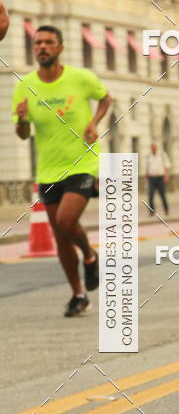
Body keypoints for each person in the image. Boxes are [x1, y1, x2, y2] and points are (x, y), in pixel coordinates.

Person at [12, 25, 111, 316]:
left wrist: (95, 122)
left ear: (60, 48)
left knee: (67, 221)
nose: (42, 47)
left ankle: (90, 256)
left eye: (48, 42)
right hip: (48, 168)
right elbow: (22, 133)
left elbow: (105, 98)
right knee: (60, 235)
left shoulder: (81, 79)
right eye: (37, 43)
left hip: (83, 162)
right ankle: (78, 294)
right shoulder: (24, 85)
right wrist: (20, 122)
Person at [146, 143, 170, 216]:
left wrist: (166, 176)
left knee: (162, 195)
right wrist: (146, 176)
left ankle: (166, 210)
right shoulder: (148, 156)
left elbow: (167, 166)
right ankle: (151, 212)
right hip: (151, 178)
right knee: (150, 195)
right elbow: (147, 167)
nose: (153, 149)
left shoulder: (162, 155)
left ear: (156, 148)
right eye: (151, 148)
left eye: (154, 148)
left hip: (160, 177)